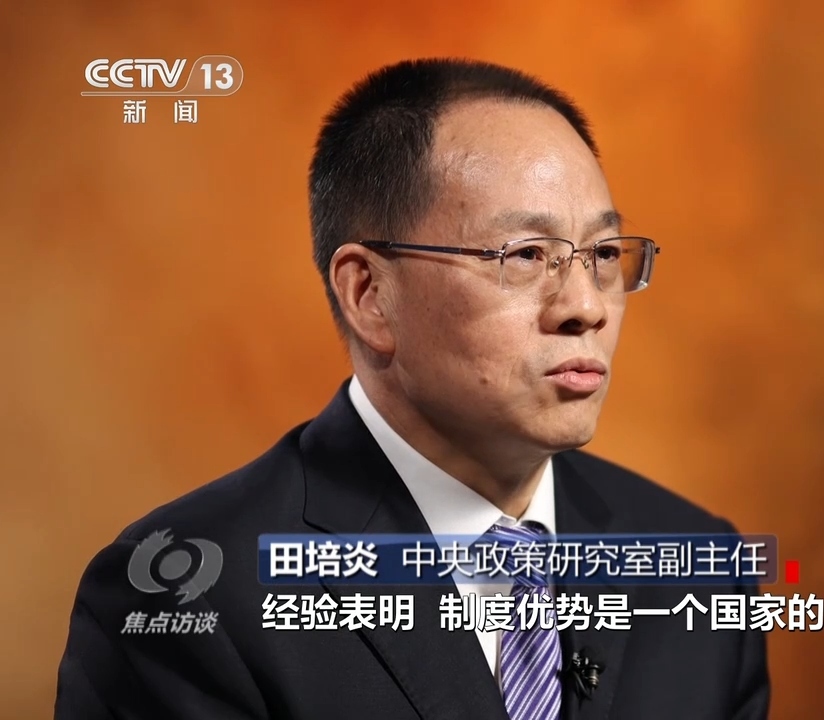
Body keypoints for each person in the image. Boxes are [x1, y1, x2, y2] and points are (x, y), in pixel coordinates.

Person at [55, 58, 770, 720]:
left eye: (604, 254)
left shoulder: (702, 568)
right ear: (369, 294)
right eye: (527, 255)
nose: (586, 306)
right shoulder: (191, 601)